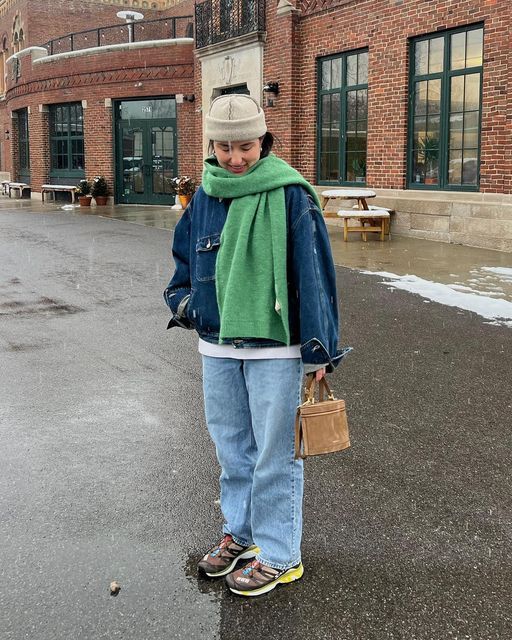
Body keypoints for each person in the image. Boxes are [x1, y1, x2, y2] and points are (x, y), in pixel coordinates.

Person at [164, 94, 349, 597]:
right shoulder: (205, 195)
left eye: (244, 146)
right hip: (218, 344)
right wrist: (185, 305)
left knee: (275, 454)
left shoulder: (292, 195)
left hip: (278, 346)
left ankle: (281, 552)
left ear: (263, 141)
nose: (235, 158)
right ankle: (241, 536)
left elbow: (314, 275)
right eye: (224, 147)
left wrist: (319, 350)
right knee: (231, 449)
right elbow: (184, 261)